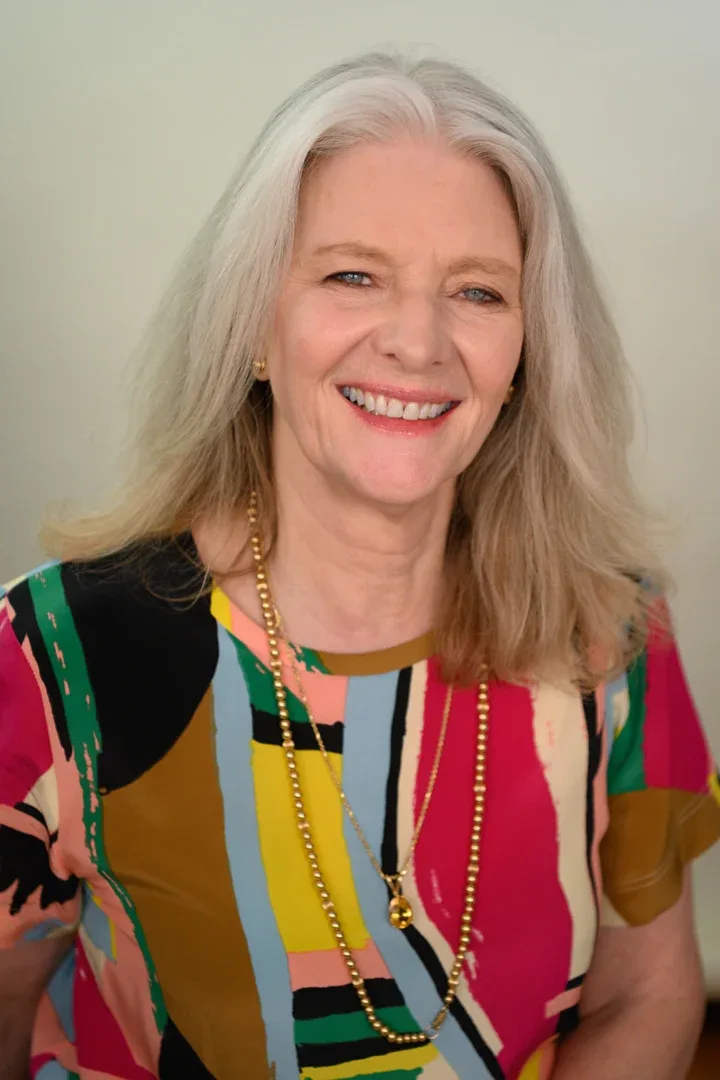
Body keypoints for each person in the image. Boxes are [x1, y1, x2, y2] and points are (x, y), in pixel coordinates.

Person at [0, 51, 718, 1080]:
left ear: (527, 353)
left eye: (477, 291)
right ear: (255, 325)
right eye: (352, 275)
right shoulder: (48, 659)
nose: (417, 343)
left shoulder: (609, 636)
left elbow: (649, 995)